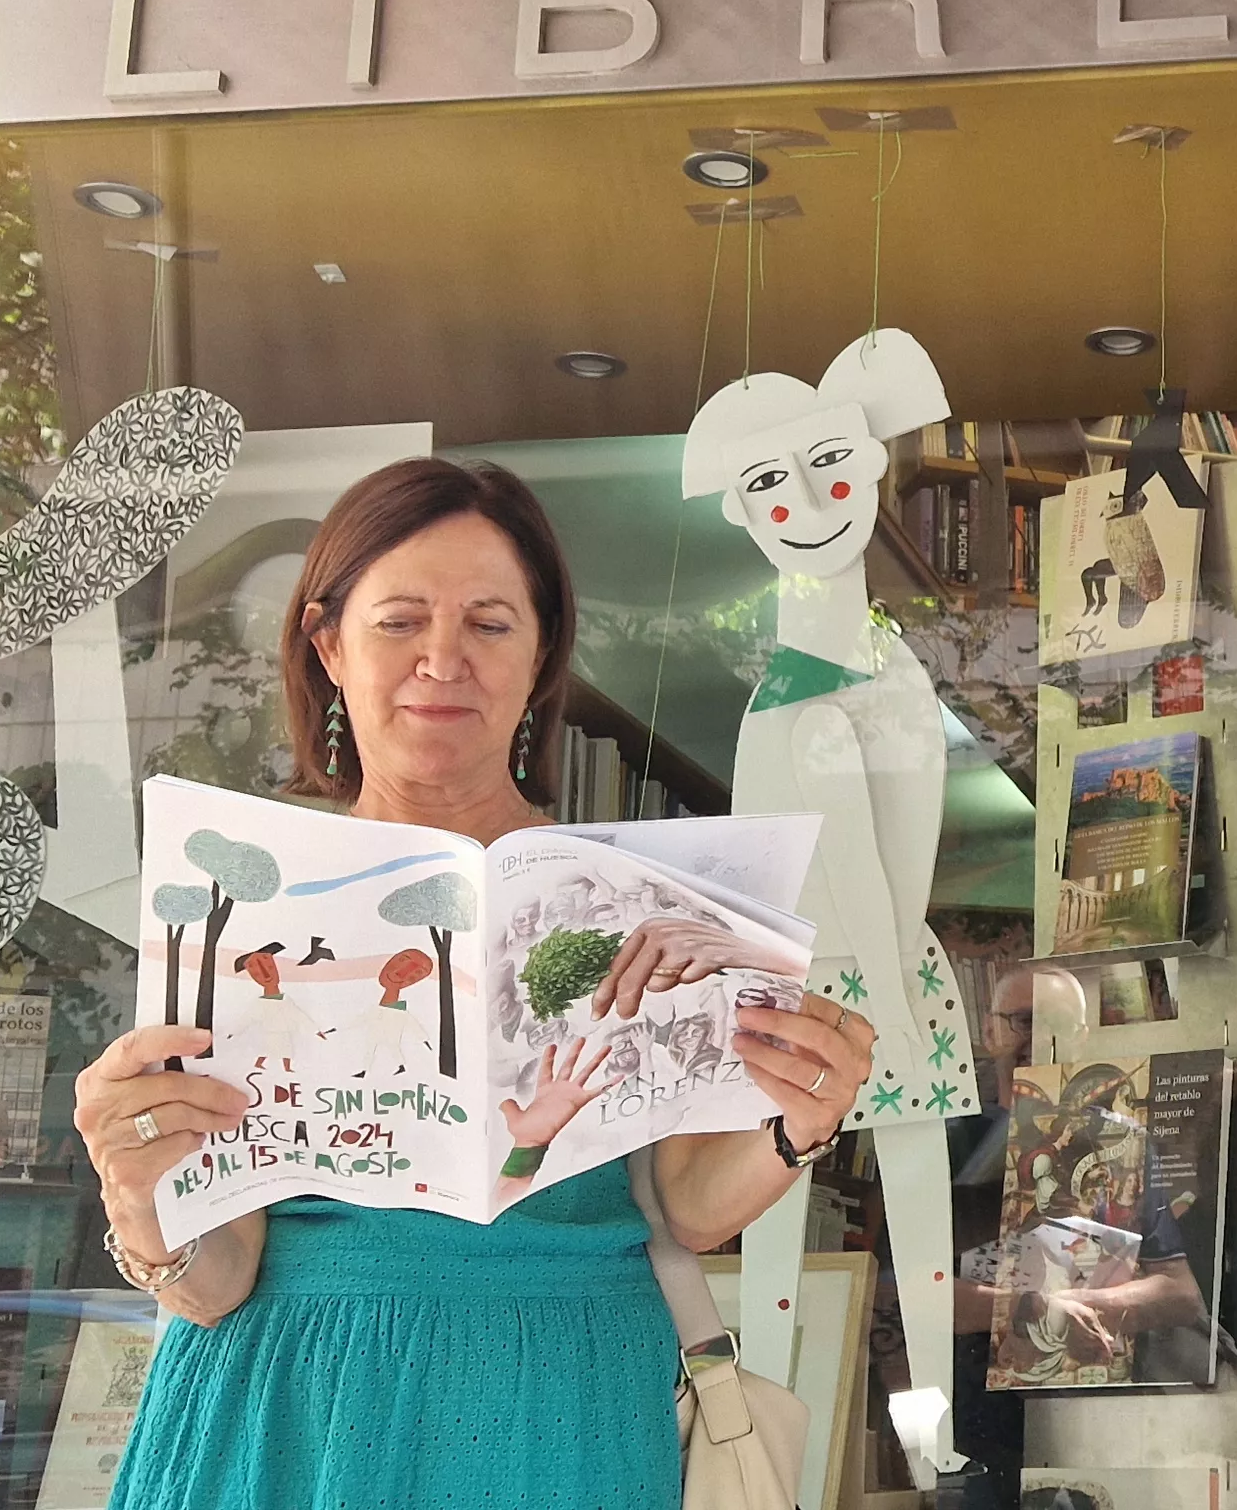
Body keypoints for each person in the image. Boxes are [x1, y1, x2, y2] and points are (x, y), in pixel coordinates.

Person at [74, 457, 878, 1510]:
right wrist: (136, 1193)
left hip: (565, 1394)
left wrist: (798, 1125)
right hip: (289, 1404)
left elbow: (685, 1207)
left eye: (490, 625)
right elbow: (217, 1279)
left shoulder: (644, 896)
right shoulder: (235, 902)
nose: (441, 660)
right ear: (328, 645)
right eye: (400, 621)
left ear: (540, 652)